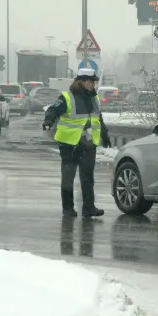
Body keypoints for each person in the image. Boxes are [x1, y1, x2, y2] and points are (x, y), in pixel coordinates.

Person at [42, 68, 111, 218]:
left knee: (87, 177)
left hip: (88, 142)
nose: (93, 85)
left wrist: (104, 134)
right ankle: (68, 208)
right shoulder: (67, 97)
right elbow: (53, 110)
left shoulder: (94, 98)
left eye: (94, 82)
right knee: (68, 176)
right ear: (82, 81)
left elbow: (98, 118)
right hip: (69, 143)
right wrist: (48, 120)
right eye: (91, 81)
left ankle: (89, 208)